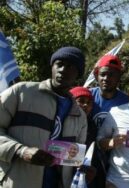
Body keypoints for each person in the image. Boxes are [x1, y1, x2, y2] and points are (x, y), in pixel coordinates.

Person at [0, 46, 88, 188]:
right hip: (18, 183)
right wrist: (20, 151)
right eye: (59, 64)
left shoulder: (79, 115)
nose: (63, 69)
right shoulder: (21, 93)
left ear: (78, 74)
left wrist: (83, 168)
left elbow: (75, 156)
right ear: (52, 66)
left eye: (70, 66)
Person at [70, 86, 104, 188]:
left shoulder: (92, 126)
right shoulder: (62, 122)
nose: (86, 105)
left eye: (89, 102)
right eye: (81, 101)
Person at [90, 54, 129, 129]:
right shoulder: (87, 96)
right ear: (96, 76)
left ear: (119, 76)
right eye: (102, 74)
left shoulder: (127, 103)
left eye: (111, 75)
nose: (106, 78)